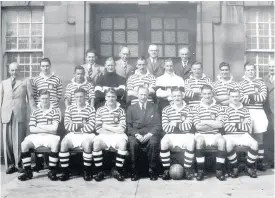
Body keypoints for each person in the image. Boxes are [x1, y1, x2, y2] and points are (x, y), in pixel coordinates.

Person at [0, 62, 36, 174]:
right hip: (6, 114)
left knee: (19, 140)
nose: (14, 72)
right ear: (9, 71)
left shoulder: (25, 82)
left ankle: (19, 164)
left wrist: (35, 112)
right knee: (7, 141)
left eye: (16, 70)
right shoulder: (3, 83)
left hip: (19, 114)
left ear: (19, 70)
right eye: (12, 70)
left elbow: (30, 98)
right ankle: (10, 165)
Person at [18, 90, 61, 181]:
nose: (45, 100)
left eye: (47, 98)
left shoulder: (55, 111)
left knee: (55, 144)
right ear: (39, 99)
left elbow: (54, 129)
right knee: (24, 144)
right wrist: (48, 127)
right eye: (43, 98)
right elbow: (32, 129)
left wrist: (40, 126)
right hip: (37, 136)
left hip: (50, 136)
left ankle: (52, 171)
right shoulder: (35, 112)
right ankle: (28, 172)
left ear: (50, 99)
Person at [31, 57, 62, 171]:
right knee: (40, 134)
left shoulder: (56, 79)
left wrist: (51, 107)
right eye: (43, 66)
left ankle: (51, 163)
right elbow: (34, 96)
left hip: (53, 109)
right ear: (40, 67)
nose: (45, 68)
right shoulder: (36, 80)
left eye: (47, 65)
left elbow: (59, 95)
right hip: (40, 110)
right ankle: (40, 163)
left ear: (50, 66)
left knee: (52, 133)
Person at [59, 88, 96, 181]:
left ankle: (87, 171)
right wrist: (81, 124)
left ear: (85, 97)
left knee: (87, 144)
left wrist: (74, 125)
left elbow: (91, 127)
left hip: (87, 135)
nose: (79, 99)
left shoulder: (91, 109)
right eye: (77, 97)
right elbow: (67, 126)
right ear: (74, 98)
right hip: (73, 134)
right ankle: (65, 172)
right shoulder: (70, 108)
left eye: (81, 97)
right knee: (63, 144)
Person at [127, 86, 162, 181]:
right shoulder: (131, 108)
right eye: (141, 94)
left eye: (145, 94)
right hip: (136, 134)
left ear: (148, 95)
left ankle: (152, 171)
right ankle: (135, 172)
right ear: (137, 95)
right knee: (133, 144)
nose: (143, 97)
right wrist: (136, 135)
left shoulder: (154, 107)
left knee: (153, 143)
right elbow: (129, 126)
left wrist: (149, 134)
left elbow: (158, 125)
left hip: (150, 134)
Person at [93, 88, 127, 181]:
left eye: (113, 96)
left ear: (116, 97)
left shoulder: (121, 110)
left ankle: (118, 170)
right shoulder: (100, 110)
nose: (111, 98)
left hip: (118, 136)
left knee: (123, 143)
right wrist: (111, 131)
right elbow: (98, 128)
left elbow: (122, 128)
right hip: (104, 135)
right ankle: (99, 171)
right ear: (105, 98)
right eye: (108, 96)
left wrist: (106, 126)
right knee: (96, 143)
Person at [193, 84, 227, 181]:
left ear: (212, 94)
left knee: (222, 141)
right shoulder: (196, 107)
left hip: (215, 134)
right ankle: (200, 171)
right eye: (205, 94)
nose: (207, 96)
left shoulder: (219, 107)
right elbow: (197, 126)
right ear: (201, 95)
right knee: (199, 141)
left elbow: (220, 125)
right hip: (201, 134)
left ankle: (219, 171)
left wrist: (204, 122)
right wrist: (213, 123)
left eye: (209, 93)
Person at [160, 88, 195, 180]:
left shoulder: (189, 109)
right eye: (174, 96)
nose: (177, 98)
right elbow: (165, 127)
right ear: (171, 97)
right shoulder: (166, 109)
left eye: (179, 95)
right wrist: (181, 124)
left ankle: (187, 170)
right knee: (164, 143)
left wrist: (174, 123)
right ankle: (166, 170)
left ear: (183, 96)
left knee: (191, 143)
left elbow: (188, 127)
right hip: (171, 135)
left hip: (185, 135)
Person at [239, 62, 268, 171]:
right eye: (248, 70)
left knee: (259, 137)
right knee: (248, 137)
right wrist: (255, 96)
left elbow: (263, 98)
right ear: (245, 71)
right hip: (246, 112)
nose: (250, 72)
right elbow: (241, 99)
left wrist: (249, 96)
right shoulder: (240, 84)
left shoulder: (260, 82)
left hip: (259, 111)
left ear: (255, 71)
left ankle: (259, 162)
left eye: (252, 70)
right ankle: (248, 162)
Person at [224, 89, 258, 178]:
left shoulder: (245, 110)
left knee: (255, 144)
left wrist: (234, 123)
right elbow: (226, 127)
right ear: (229, 97)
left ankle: (249, 167)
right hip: (230, 135)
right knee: (228, 145)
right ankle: (235, 167)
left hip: (243, 135)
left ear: (240, 97)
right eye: (233, 96)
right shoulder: (225, 109)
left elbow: (247, 127)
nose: (235, 98)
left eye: (237, 96)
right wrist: (241, 124)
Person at [263, 60, 274, 168]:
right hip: (267, 111)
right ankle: (270, 161)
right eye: (270, 66)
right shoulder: (264, 79)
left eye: (273, 66)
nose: (271, 68)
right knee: (269, 136)